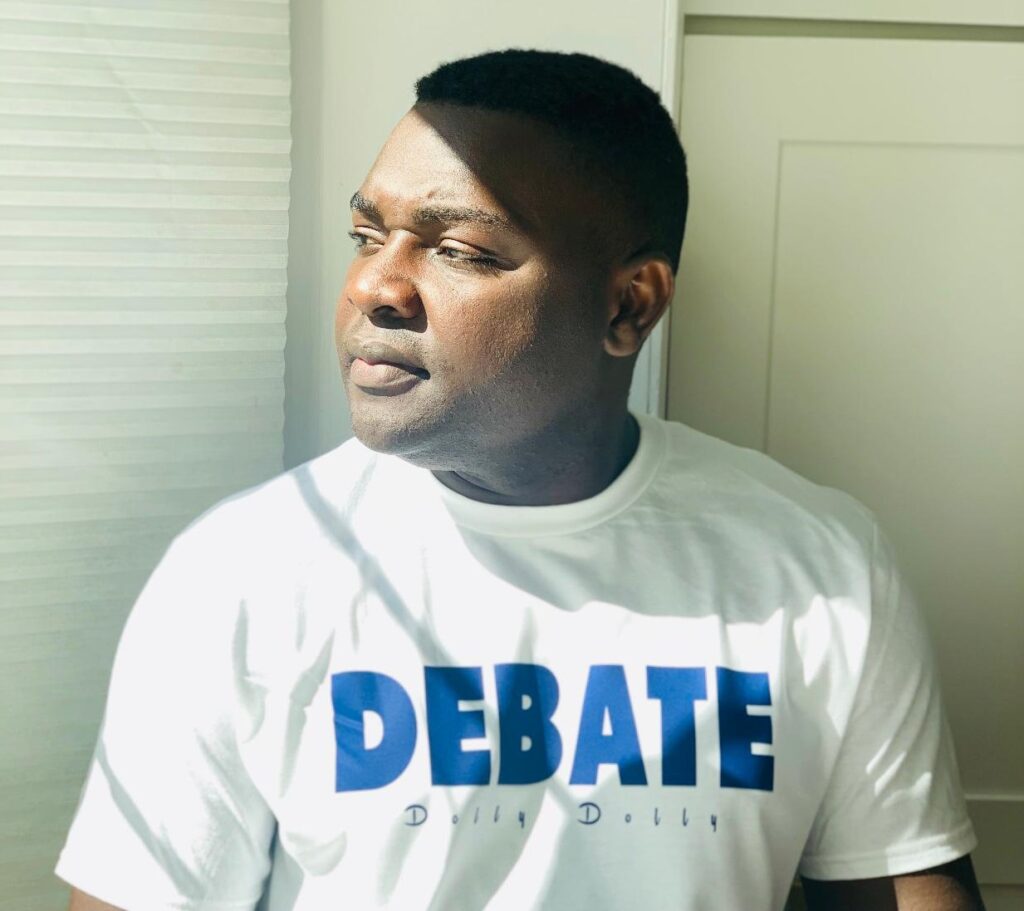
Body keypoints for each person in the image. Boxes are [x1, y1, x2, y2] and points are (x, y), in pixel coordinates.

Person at [58, 49, 982, 911]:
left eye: (459, 250)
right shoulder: (242, 571)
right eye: (367, 234)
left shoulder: (819, 567)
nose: (375, 286)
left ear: (629, 306)